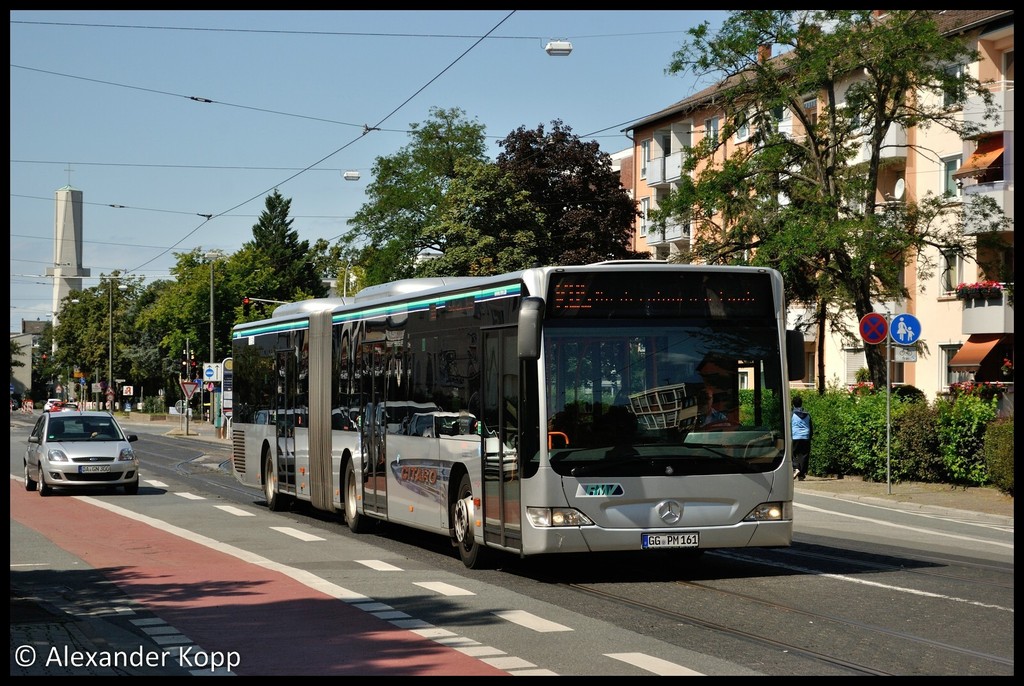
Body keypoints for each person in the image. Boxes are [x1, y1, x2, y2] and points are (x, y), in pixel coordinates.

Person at [791, 396, 813, 480]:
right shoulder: (807, 414)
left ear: (793, 404)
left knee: (794, 453)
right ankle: (801, 474)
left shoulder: (792, 414)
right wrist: (810, 436)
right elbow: (811, 427)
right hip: (806, 436)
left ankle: (796, 468)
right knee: (804, 455)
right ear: (801, 403)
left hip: (795, 436)